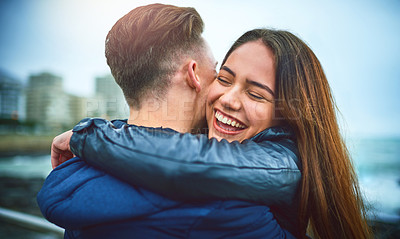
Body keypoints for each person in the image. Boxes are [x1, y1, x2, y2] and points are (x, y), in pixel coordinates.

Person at [50, 29, 372, 238]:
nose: (228, 100)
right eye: (225, 78)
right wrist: (104, 132)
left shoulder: (283, 165)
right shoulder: (208, 170)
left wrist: (90, 136)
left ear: (288, 114)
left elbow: (197, 164)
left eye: (256, 95)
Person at [37, 3, 298, 239]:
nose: (227, 97)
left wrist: (96, 133)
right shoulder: (225, 200)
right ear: (194, 73)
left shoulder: (80, 171)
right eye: (220, 74)